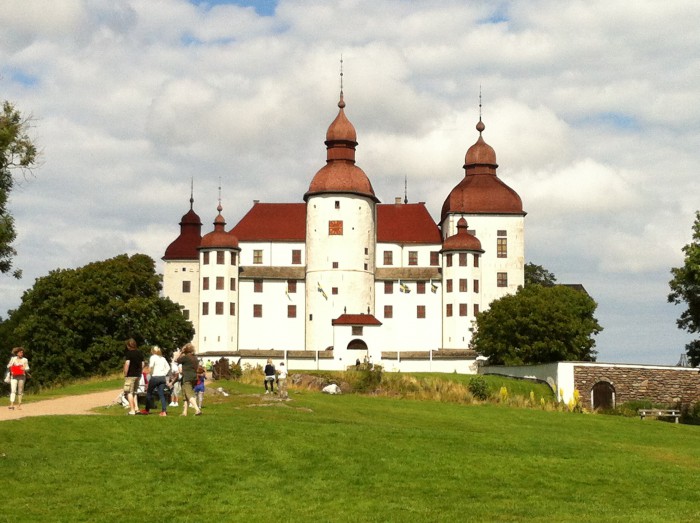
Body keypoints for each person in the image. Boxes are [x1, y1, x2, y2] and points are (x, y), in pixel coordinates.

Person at [176, 343, 202, 416]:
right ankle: (185, 412)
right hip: (194, 377)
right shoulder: (195, 358)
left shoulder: (185, 357)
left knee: (188, 394)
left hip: (187, 377)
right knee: (185, 394)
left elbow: (177, 360)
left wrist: (181, 353)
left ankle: (197, 409)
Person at [144, 346, 169, 417]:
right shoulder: (163, 358)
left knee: (149, 393)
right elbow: (168, 367)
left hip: (155, 377)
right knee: (161, 394)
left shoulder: (153, 357)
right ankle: (164, 411)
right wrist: (164, 373)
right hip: (162, 377)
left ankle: (147, 409)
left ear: (152, 351)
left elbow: (151, 366)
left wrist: (149, 373)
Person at [123, 339, 144, 416]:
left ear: (129, 346)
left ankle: (132, 410)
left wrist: (125, 374)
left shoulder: (129, 354)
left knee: (129, 392)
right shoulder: (139, 353)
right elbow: (142, 364)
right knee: (134, 392)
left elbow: (127, 364)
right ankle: (136, 408)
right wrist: (140, 372)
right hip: (138, 375)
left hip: (130, 375)